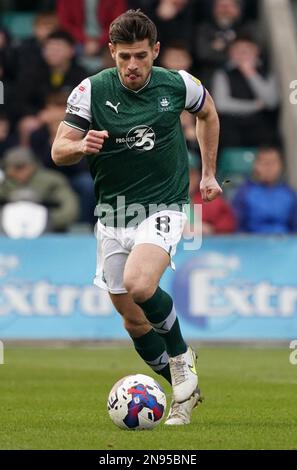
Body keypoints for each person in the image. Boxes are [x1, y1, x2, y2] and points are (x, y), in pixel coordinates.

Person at [52, 9, 221, 425]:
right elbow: (59, 149)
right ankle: (183, 390)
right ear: (111, 52)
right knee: (132, 319)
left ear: (155, 52)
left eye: (141, 56)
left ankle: (181, 358)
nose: (132, 65)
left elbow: (208, 114)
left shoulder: (178, 84)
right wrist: (81, 145)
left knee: (140, 283)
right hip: (112, 213)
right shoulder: (90, 90)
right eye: (124, 56)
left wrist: (210, 173)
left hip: (162, 205)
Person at [233, 147, 297, 234]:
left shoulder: (289, 194)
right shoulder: (244, 193)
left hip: (285, 243)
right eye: (265, 163)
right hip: (252, 243)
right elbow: (238, 227)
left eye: (273, 163)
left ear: (281, 166)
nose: (269, 168)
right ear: (256, 166)